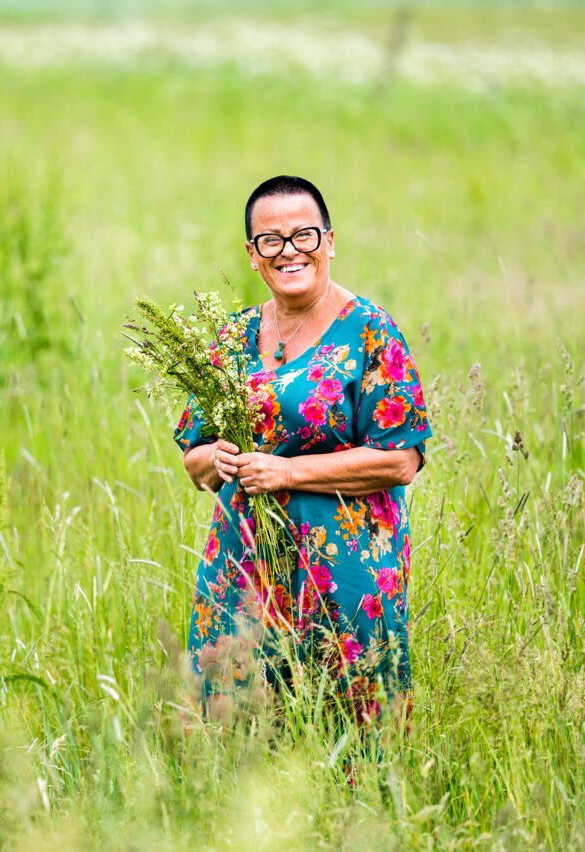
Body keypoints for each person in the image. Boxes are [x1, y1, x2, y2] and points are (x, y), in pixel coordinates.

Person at [174, 175, 432, 728]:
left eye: (304, 235)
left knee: (350, 725)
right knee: (238, 728)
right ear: (252, 255)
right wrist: (213, 461)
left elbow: (400, 460)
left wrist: (287, 471)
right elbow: (193, 457)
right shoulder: (234, 339)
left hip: (344, 569)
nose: (290, 250)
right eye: (272, 240)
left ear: (330, 241)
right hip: (244, 566)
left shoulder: (371, 335)